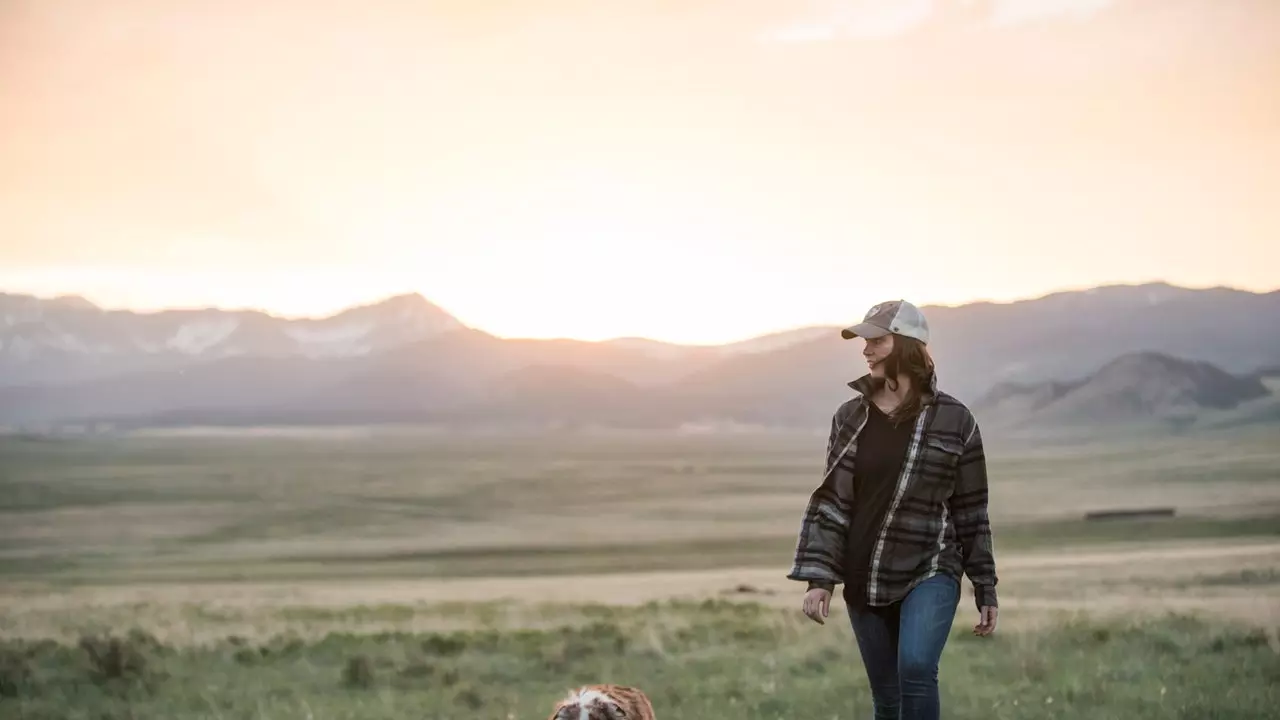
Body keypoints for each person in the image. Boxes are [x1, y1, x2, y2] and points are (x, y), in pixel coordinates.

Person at [787, 299, 999, 720]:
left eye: (876, 341)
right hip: (864, 573)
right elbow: (834, 501)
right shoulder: (849, 416)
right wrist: (820, 578)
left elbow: (971, 509)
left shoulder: (956, 420)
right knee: (888, 699)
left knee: (917, 668)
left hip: (930, 567)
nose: (866, 350)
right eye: (864, 341)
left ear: (906, 345)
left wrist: (985, 584)